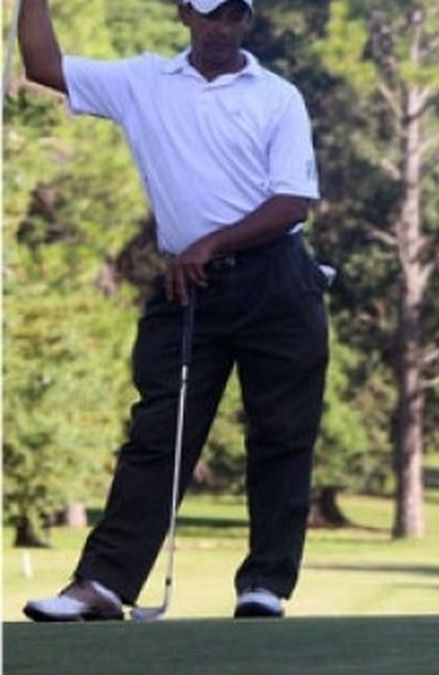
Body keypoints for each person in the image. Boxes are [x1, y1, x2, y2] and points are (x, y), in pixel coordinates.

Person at [20, 0, 329, 621]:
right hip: (191, 288)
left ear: (249, 19)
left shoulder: (277, 96)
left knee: (281, 437)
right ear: (186, 14)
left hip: (277, 281)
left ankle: (264, 585)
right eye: (211, 15)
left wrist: (210, 242)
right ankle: (103, 586)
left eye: (235, 15)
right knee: (159, 434)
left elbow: (293, 201)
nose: (223, 28)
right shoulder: (143, 83)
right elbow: (44, 64)